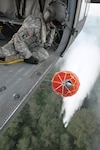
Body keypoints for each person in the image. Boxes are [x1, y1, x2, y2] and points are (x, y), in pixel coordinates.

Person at [0, 0, 67, 64]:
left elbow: (45, 44)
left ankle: (17, 57)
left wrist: (29, 56)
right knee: (2, 54)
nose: (55, 26)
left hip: (31, 47)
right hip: (18, 45)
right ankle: (12, 57)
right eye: (55, 23)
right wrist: (28, 56)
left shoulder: (49, 27)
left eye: (57, 24)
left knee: (44, 55)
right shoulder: (33, 24)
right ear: (49, 17)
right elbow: (17, 40)